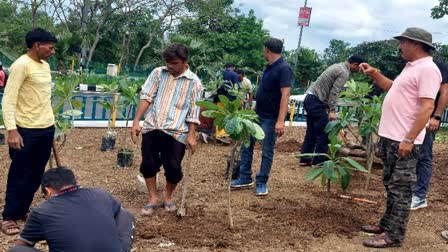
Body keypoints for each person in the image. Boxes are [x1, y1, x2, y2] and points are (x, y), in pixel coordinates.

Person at [359, 27, 441, 248]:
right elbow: (393, 88)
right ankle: (387, 224)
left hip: (403, 139)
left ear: (415, 44)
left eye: (403, 42)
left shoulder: (428, 70)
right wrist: (375, 74)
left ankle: (394, 235)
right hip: (391, 137)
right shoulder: (410, 67)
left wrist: (409, 138)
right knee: (390, 184)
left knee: (401, 188)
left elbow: (427, 107)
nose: (400, 46)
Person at [131, 43, 203, 215]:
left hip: (176, 131)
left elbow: (194, 111)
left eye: (174, 63)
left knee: (173, 167)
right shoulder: (158, 73)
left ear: (185, 61)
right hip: (152, 126)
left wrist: (191, 135)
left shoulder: (194, 82)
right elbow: (146, 97)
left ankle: (168, 197)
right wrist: (136, 121)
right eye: (168, 63)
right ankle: (153, 198)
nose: (170, 66)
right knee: (148, 164)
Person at [1, 28, 58, 235]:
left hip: (45, 128)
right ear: (37, 46)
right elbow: (8, 99)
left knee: (35, 174)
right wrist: (12, 130)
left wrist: (50, 124)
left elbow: (41, 98)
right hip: (25, 130)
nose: (52, 52)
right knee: (19, 174)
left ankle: (22, 209)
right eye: (50, 48)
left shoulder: (44, 66)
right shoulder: (21, 65)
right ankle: (9, 216)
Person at [7, 167, 135, 252]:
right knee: (125, 214)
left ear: (48, 190)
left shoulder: (41, 211)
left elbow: (22, 245)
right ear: (76, 181)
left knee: (16, 251)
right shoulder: (100, 194)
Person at [230, 38, 293, 196]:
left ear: (267, 50)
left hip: (271, 118)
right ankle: (245, 176)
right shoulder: (269, 67)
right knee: (246, 144)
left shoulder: (284, 68)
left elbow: (285, 95)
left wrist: (280, 121)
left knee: (266, 151)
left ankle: (262, 182)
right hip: (257, 115)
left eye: (263, 50)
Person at [299, 55, 365, 166]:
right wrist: (332, 110)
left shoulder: (337, 66)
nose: (359, 71)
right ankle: (319, 162)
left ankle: (305, 159)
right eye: (359, 68)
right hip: (316, 101)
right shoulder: (344, 72)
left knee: (312, 132)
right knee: (325, 132)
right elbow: (334, 92)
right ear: (355, 64)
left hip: (310, 99)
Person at [411, 60, 448, 210]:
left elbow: (445, 91)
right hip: (413, 119)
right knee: (411, 155)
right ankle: (411, 191)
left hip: (428, 118)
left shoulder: (437, 66)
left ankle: (420, 196)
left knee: (423, 156)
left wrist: (437, 116)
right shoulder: (412, 67)